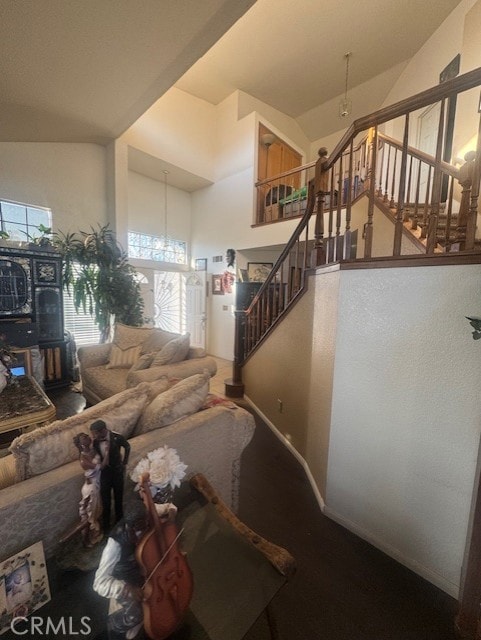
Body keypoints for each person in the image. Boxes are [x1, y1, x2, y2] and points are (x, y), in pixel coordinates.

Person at [90, 419, 131, 533]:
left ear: (103, 430)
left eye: (96, 433)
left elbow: (127, 447)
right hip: (104, 474)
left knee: (118, 498)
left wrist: (124, 462)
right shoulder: (96, 442)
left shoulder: (117, 437)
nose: (94, 436)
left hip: (117, 472)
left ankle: (119, 521)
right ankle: (106, 525)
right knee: (105, 499)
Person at [72, 432, 104, 547]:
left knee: (97, 510)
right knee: (91, 513)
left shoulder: (93, 450)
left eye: (86, 435)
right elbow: (100, 466)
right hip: (91, 488)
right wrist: (109, 452)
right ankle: (90, 537)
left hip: (98, 484)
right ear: (80, 444)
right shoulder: (83, 459)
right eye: (84, 438)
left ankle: (95, 533)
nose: (87, 437)